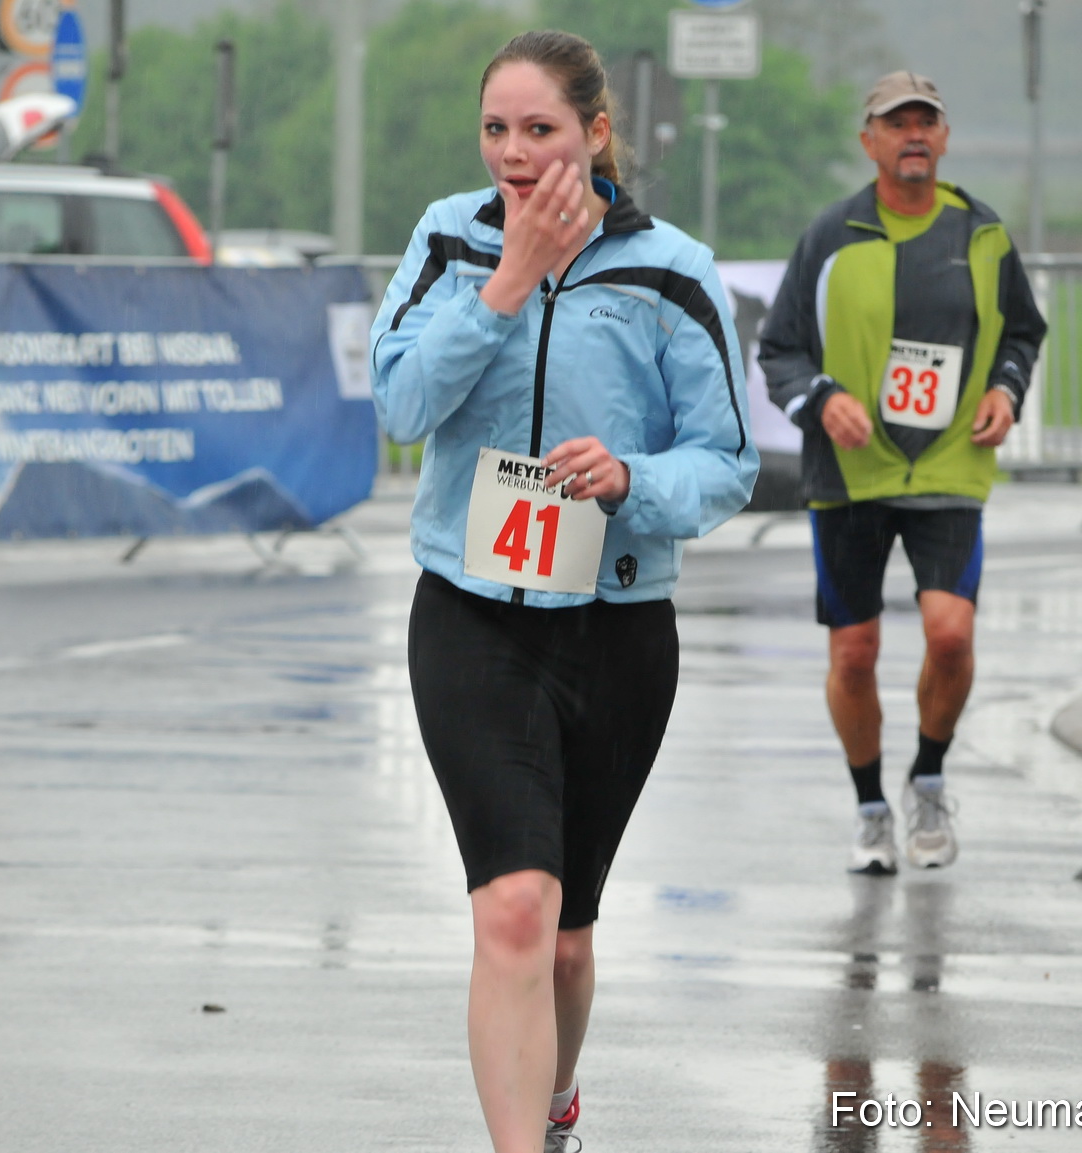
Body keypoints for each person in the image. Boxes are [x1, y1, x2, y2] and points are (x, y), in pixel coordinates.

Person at [371, 30, 757, 1153]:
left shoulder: (671, 271)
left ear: (594, 133)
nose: (513, 152)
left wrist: (632, 479)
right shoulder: (449, 240)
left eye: (538, 129)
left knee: (569, 940)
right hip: (470, 620)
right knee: (513, 910)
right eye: (495, 129)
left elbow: (726, 461)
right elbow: (399, 404)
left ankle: (555, 1104)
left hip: (617, 631)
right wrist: (506, 283)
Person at [758, 71, 1047, 876]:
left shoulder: (981, 233)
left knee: (950, 633)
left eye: (926, 120)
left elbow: (1021, 332)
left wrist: (1005, 389)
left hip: (949, 461)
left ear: (943, 138)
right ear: (870, 141)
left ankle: (927, 778)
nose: (913, 133)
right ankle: (869, 808)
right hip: (849, 471)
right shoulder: (830, 234)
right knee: (853, 651)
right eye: (896, 122)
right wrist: (822, 400)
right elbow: (778, 349)